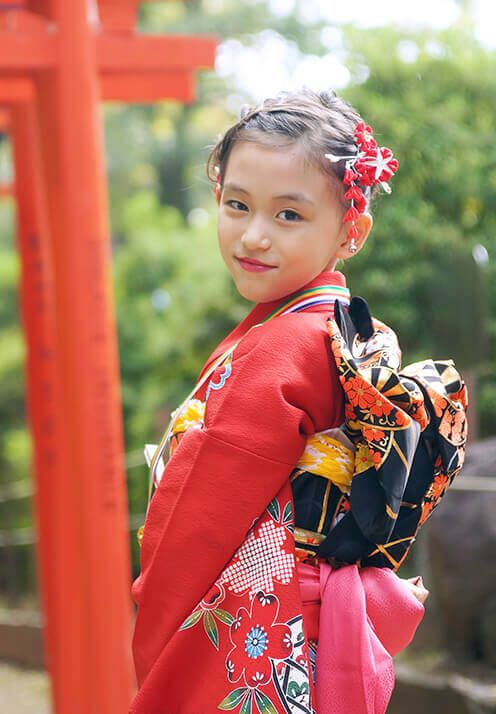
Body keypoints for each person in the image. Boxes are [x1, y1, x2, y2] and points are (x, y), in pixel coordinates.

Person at [130, 89, 468, 714]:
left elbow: (201, 516)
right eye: (238, 205)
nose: (254, 235)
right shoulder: (337, 327)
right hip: (294, 633)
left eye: (289, 215)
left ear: (351, 231)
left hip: (250, 624)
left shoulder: (288, 341)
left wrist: (155, 628)